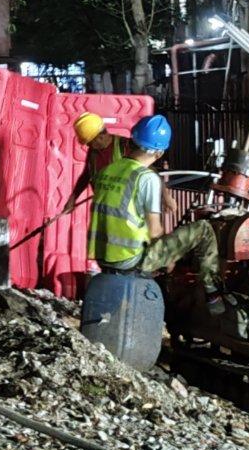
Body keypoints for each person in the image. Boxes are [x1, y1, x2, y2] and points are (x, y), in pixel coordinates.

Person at [87, 114, 223, 310]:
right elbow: (155, 232)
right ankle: (213, 295)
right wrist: (170, 257)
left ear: (132, 141)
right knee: (203, 229)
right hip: (131, 260)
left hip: (104, 258)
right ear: (159, 153)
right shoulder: (146, 178)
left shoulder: (108, 171)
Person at [61, 112, 124, 215]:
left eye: (89, 142)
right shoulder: (94, 152)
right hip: (104, 210)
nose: (88, 146)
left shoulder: (124, 146)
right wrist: (73, 198)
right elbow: (87, 175)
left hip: (124, 211)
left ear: (100, 136)